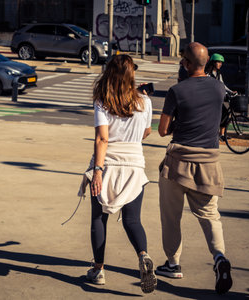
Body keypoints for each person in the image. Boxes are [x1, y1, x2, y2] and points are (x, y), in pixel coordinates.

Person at [156, 42, 232, 295]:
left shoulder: (177, 91)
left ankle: (173, 264)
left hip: (178, 163)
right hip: (209, 163)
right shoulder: (219, 88)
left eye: (182, 61)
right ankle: (220, 258)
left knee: (171, 217)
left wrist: (180, 122)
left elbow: (163, 130)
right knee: (210, 216)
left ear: (187, 64)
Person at [78, 55, 156, 294]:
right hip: (135, 166)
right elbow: (147, 133)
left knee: (99, 219)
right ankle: (143, 255)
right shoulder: (145, 101)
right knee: (133, 220)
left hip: (108, 164)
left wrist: (98, 171)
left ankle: (99, 270)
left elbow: (102, 138)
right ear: (131, 75)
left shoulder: (103, 101)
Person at [205, 53, 237, 139]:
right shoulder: (207, 74)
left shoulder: (218, 73)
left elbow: (222, 85)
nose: (220, 64)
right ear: (213, 62)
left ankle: (222, 134)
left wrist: (230, 92)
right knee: (214, 116)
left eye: (221, 62)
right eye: (218, 62)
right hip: (209, 100)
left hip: (216, 99)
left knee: (225, 113)